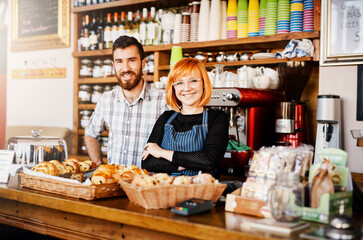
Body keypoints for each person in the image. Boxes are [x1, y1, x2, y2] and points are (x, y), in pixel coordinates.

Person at [85, 36, 168, 167]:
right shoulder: (106, 100)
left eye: (132, 60)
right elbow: (90, 135)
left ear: (143, 63)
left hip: (147, 183)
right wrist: (99, 166)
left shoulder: (164, 100)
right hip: (114, 182)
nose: (125, 68)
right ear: (113, 66)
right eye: (119, 61)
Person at [141, 58, 229, 178]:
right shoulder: (166, 117)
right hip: (168, 191)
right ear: (174, 87)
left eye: (193, 81)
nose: (186, 88)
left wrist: (162, 153)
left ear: (204, 83)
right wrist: (193, 162)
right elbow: (148, 163)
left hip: (203, 192)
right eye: (179, 83)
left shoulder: (217, 118)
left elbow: (209, 160)